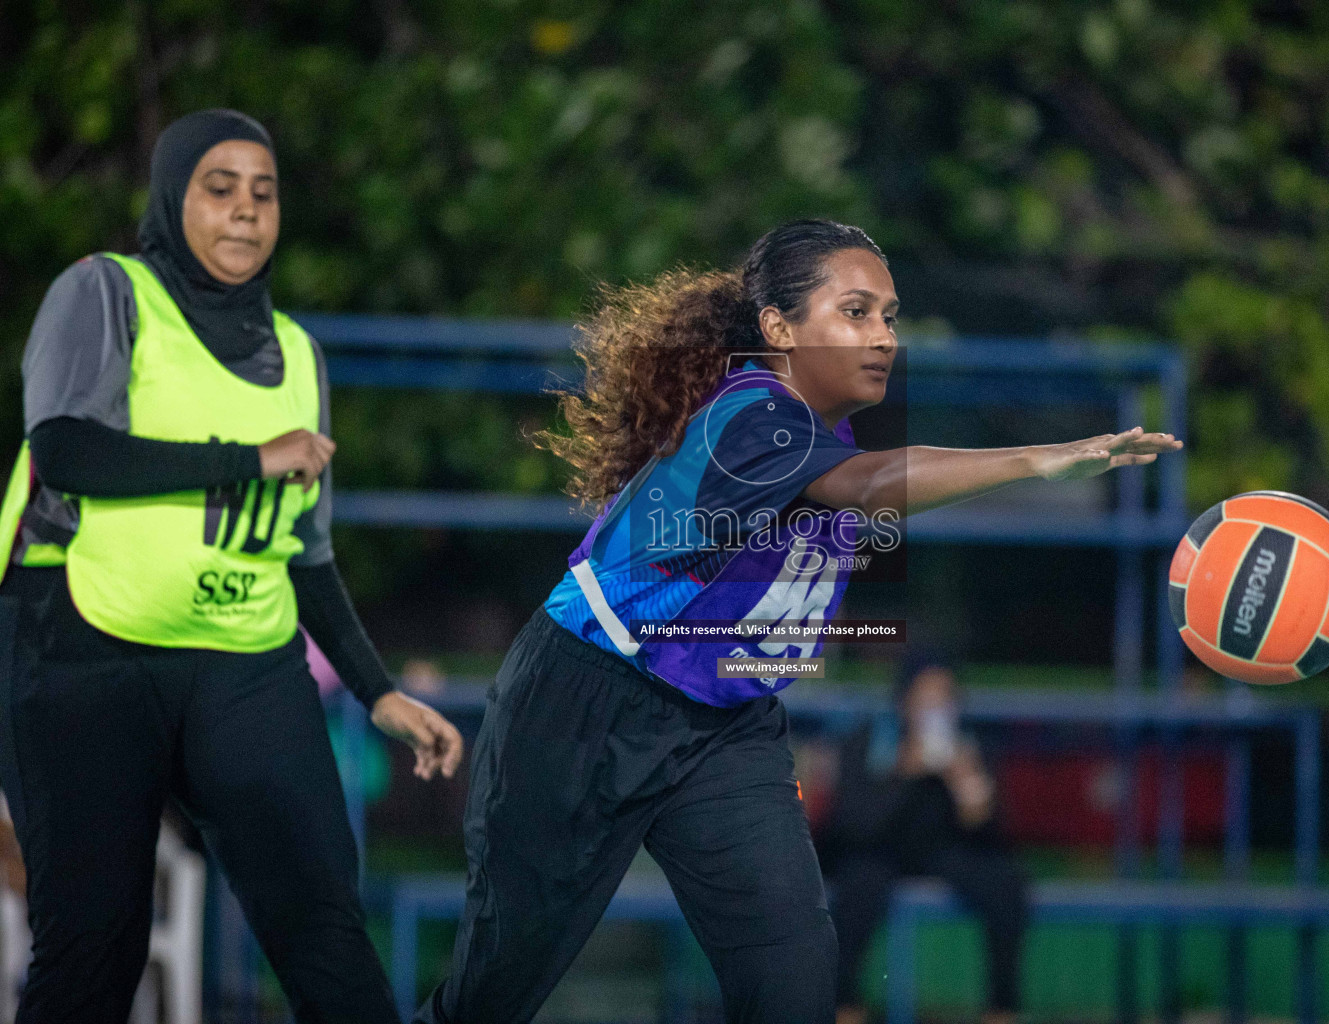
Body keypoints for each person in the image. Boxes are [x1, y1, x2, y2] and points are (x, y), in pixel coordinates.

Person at [417, 219, 1180, 1024]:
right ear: (779, 328)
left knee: (795, 980)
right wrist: (1041, 457)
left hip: (723, 728)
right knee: (494, 995)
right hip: (586, 703)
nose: (882, 334)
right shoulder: (750, 418)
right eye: (855, 311)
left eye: (888, 315)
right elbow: (873, 483)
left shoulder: (824, 438)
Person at [0, 108, 465, 1024]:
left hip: (242, 660)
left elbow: (308, 554)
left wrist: (378, 692)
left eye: (264, 192)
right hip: (85, 646)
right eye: (220, 190)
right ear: (175, 199)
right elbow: (65, 452)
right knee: (95, 948)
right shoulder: (106, 293)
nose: (246, 212)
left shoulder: (298, 353)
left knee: (324, 927)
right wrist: (246, 456)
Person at [822, 651, 1025, 1024]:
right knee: (858, 889)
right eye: (925, 697)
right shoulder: (869, 741)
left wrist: (971, 797)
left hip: (943, 854)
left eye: (945, 697)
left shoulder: (969, 745)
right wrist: (905, 770)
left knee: (1005, 885)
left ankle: (1000, 1010)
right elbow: (853, 827)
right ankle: (844, 1008)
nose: (935, 708)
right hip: (878, 853)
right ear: (904, 700)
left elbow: (994, 834)